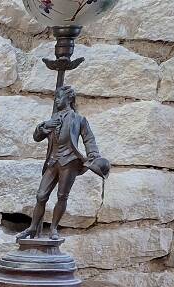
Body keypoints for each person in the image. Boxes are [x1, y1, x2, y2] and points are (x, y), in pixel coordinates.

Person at [25, 85, 111, 241]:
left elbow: (89, 139)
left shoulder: (79, 119)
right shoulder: (52, 118)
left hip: (69, 161)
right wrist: (43, 127)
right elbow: (36, 137)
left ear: (69, 98)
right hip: (52, 161)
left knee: (62, 196)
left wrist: (93, 155)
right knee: (41, 195)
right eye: (55, 97)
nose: (56, 100)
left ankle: (53, 228)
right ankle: (32, 227)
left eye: (59, 97)